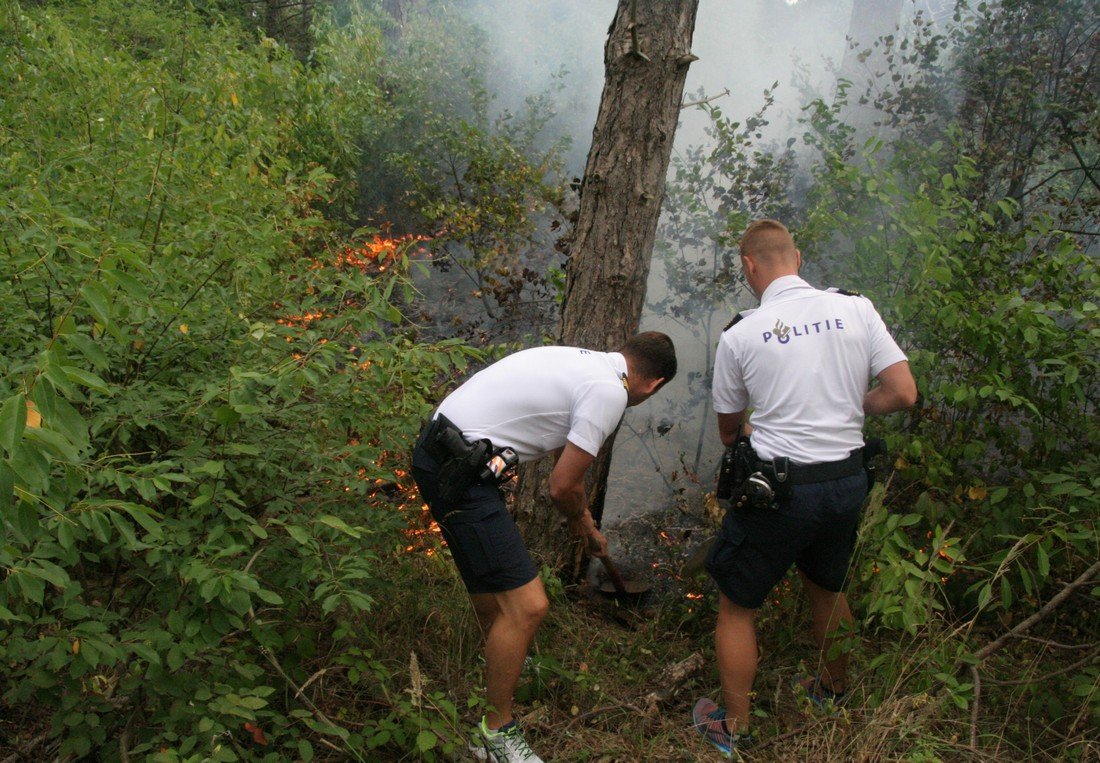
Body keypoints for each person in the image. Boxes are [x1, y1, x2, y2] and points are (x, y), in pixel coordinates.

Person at [692, 219, 917, 756]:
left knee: (736, 605)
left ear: (749, 266)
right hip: (845, 482)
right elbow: (903, 392)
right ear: (797, 256)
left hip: (780, 493)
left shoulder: (742, 332)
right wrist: (849, 406)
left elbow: (729, 432)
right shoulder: (855, 308)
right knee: (828, 585)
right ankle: (833, 692)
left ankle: (735, 726)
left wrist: (760, 426)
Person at [411, 332, 677, 763]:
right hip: (461, 471)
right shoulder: (612, 392)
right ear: (655, 384)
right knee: (530, 606)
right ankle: (495, 735)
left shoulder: (585, 362)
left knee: (495, 599)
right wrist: (579, 521)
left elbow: (565, 456)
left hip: (441, 452)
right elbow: (561, 487)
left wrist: (586, 525)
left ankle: (503, 666)